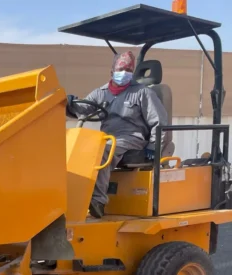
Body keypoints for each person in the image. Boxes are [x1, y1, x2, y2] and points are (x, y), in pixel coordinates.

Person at [67, 51, 168, 218]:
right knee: (81, 148)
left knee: (103, 150)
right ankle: (74, 195)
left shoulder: (142, 93)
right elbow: (84, 108)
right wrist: (69, 103)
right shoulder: (101, 92)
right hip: (107, 137)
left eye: (128, 70)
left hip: (132, 138)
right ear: (112, 71)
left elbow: (159, 121)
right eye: (121, 69)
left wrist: (153, 146)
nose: (124, 73)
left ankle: (98, 201)